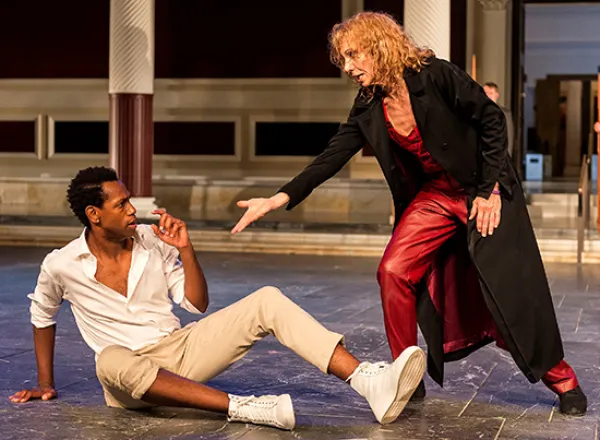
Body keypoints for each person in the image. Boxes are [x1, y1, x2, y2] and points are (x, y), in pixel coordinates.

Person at [231, 12, 587, 416]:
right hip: (435, 196)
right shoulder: (368, 104)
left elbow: (492, 119)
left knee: (511, 294)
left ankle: (563, 379)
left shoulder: (435, 75)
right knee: (393, 271)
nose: (348, 66)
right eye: (343, 58)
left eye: (354, 54)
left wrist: (490, 191)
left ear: (380, 46)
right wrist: (278, 198)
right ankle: (405, 374)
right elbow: (331, 156)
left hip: (481, 190)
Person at [9, 166, 426, 430]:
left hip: (180, 351)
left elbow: (196, 304)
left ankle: (368, 382)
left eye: (130, 200)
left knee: (267, 299)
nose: (133, 209)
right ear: (94, 214)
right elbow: (42, 314)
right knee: (109, 360)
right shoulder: (62, 263)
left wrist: (186, 250)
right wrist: (45, 383)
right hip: (126, 378)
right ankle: (244, 407)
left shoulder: (154, 240)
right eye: (122, 204)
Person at [483, 82, 515, 157]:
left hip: (497, 155)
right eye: (485, 93)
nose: (487, 95)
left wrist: (507, 157)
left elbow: (509, 136)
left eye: (491, 93)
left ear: (496, 95)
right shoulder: (477, 112)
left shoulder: (505, 113)